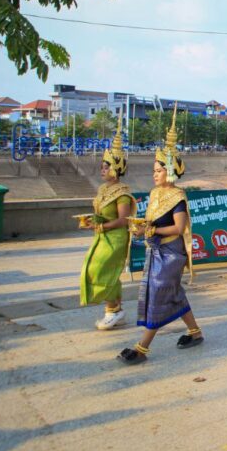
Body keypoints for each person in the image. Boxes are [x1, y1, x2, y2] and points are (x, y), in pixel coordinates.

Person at [119, 105, 203, 365]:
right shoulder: (155, 194)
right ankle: (195, 332)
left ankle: (142, 347)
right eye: (153, 171)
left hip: (171, 253)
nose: (154, 174)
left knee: (158, 294)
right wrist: (141, 228)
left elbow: (178, 228)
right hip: (155, 251)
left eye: (158, 170)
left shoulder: (177, 197)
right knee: (173, 293)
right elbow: (151, 221)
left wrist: (153, 230)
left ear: (170, 170)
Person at [80, 115, 136, 330]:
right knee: (104, 271)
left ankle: (112, 310)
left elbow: (122, 220)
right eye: (102, 167)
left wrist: (101, 226)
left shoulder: (122, 193)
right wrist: (92, 221)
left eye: (106, 167)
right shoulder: (103, 189)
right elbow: (101, 213)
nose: (102, 170)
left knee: (100, 270)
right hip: (102, 235)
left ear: (115, 168)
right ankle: (115, 310)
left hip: (116, 237)